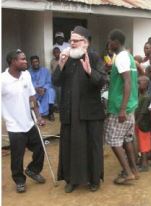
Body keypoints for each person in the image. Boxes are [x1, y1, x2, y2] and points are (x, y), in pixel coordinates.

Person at [53, 26, 106, 192]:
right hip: (70, 113)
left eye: (76, 40)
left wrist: (90, 72)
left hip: (90, 113)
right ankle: (71, 180)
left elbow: (102, 81)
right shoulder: (66, 58)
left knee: (92, 147)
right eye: (71, 40)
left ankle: (94, 180)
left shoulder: (94, 57)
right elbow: (55, 81)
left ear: (86, 43)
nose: (72, 43)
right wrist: (60, 63)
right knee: (70, 147)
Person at [2, 49, 46, 193]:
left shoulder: (26, 75)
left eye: (25, 59)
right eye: (22, 59)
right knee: (17, 156)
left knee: (40, 148)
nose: (25, 61)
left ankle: (33, 170)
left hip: (28, 122)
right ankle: (19, 181)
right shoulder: (3, 80)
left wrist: (38, 116)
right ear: (13, 62)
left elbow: (31, 97)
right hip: (14, 126)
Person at [105, 29, 139, 185]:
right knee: (127, 139)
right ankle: (134, 170)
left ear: (116, 42)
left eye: (110, 40)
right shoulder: (128, 56)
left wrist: (122, 109)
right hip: (130, 105)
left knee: (114, 141)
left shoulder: (120, 58)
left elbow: (127, 82)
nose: (108, 43)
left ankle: (127, 172)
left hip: (120, 107)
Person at [29, 56, 56, 121]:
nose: (35, 63)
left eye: (36, 61)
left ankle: (50, 113)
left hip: (44, 91)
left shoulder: (45, 70)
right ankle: (39, 113)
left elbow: (49, 82)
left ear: (39, 62)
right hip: (34, 92)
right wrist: (36, 88)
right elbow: (28, 84)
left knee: (51, 91)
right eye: (33, 62)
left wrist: (44, 89)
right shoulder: (28, 72)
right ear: (31, 63)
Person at [135, 76, 151, 171]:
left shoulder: (147, 97)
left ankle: (145, 164)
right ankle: (142, 160)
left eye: (139, 83)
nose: (137, 85)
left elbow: (143, 112)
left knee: (144, 144)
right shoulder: (140, 95)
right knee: (141, 144)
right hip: (140, 124)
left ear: (146, 85)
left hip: (144, 125)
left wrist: (136, 123)